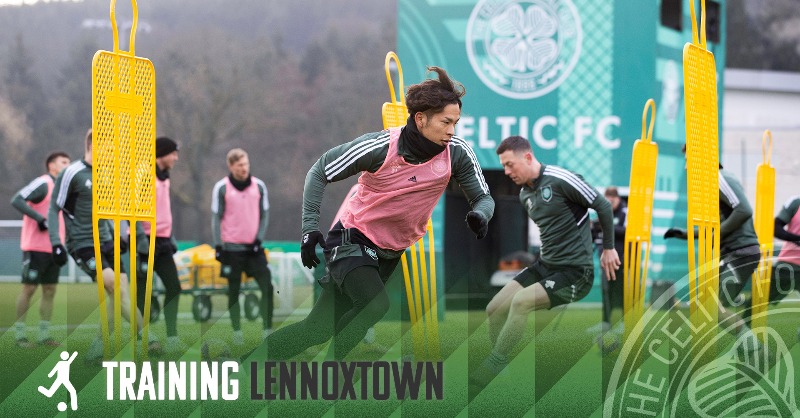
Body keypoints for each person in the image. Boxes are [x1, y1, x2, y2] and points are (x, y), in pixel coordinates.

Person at [247, 66, 494, 362]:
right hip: (352, 238)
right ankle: (330, 370)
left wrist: (481, 214)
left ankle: (245, 365)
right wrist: (309, 229)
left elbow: (483, 198)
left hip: (390, 251)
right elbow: (319, 171)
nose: (452, 130)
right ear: (420, 118)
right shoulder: (380, 147)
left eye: (456, 123)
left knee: (316, 329)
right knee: (376, 305)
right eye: (446, 122)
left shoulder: (457, 153)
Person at [477, 135, 620, 384]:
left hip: (576, 272)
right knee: (494, 308)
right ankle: (604, 340)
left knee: (521, 302)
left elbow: (604, 206)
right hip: (545, 265)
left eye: (510, 164)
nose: (506, 171)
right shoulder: (525, 195)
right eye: (503, 166)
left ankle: (495, 364)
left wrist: (608, 248)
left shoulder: (561, 179)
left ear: (527, 157)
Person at [49, 129, 160, 361]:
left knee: (118, 290)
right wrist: (56, 243)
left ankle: (98, 346)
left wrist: (117, 236)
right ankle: (147, 337)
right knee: (115, 286)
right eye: (109, 149)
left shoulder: (108, 173)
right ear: (92, 146)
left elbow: (109, 210)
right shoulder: (71, 173)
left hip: (106, 240)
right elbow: (54, 208)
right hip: (82, 243)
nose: (112, 154)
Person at [664, 145, 761, 349]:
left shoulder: (719, 177)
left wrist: (717, 233)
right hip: (732, 253)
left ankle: (755, 348)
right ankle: (748, 341)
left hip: (741, 252)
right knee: (706, 304)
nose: (686, 167)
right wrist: (686, 234)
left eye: (689, 161)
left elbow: (744, 210)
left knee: (712, 307)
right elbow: (716, 227)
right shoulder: (712, 184)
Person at [211, 148, 274, 346]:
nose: (244, 168)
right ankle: (237, 331)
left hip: (254, 249)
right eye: (239, 165)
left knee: (267, 286)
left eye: (246, 164)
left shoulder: (259, 186)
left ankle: (267, 330)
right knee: (233, 290)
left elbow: (265, 214)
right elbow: (216, 218)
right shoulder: (221, 187)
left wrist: (258, 240)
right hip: (231, 249)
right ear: (231, 166)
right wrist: (218, 246)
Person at [10, 151, 70, 348]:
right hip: (35, 247)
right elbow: (17, 199)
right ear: (52, 165)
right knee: (29, 289)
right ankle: (20, 336)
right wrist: (39, 219)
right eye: (64, 162)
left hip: (54, 248)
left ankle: (44, 335)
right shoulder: (43, 183)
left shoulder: (63, 189)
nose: (68, 165)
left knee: (50, 290)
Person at [134, 137, 184, 354]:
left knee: (174, 287)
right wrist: (140, 240)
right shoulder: (144, 174)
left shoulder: (164, 176)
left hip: (162, 241)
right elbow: (132, 209)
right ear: (162, 153)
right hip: (144, 240)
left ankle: (172, 337)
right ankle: (141, 337)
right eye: (173, 153)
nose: (176, 158)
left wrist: (170, 237)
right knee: (142, 292)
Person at [741, 194, 800, 339]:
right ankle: (742, 334)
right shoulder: (796, 202)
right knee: (758, 298)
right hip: (789, 264)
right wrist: (797, 239)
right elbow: (776, 227)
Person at [586, 186, 627, 335]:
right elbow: (594, 236)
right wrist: (593, 227)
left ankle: (623, 323)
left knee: (621, 292)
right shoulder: (602, 213)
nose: (609, 204)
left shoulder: (625, 212)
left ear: (617, 199)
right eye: (607, 201)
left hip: (623, 259)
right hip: (604, 260)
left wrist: (606, 226)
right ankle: (606, 322)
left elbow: (627, 231)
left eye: (612, 201)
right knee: (606, 290)